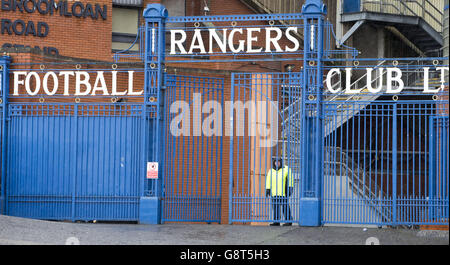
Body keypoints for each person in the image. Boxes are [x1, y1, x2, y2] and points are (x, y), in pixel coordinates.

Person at [265, 158, 294, 226]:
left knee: (285, 207)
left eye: (278, 162)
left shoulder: (286, 169)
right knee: (275, 207)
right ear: (274, 163)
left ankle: (288, 221)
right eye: (275, 162)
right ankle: (276, 221)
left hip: (283, 193)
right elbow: (268, 180)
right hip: (274, 193)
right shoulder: (271, 171)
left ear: (281, 162)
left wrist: (290, 187)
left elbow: (290, 178)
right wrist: (267, 189)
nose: (277, 163)